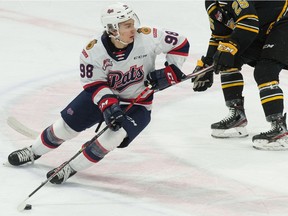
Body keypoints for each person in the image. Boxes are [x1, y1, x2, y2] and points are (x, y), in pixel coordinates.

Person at [7, 2, 189, 183]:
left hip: (138, 102)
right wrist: (109, 107)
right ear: (112, 29)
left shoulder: (150, 36)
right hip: (103, 97)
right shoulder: (93, 51)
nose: (133, 28)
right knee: (64, 128)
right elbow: (93, 83)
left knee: (112, 138)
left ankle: (70, 168)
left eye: (132, 22)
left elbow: (181, 43)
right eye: (127, 26)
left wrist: (171, 71)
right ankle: (33, 151)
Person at [191, 0, 288, 150]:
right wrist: (208, 64)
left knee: (265, 71)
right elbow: (220, 35)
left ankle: (280, 129)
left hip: (283, 23)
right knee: (228, 60)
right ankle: (237, 115)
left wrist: (229, 48)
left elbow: (248, 22)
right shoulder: (211, 3)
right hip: (261, 29)